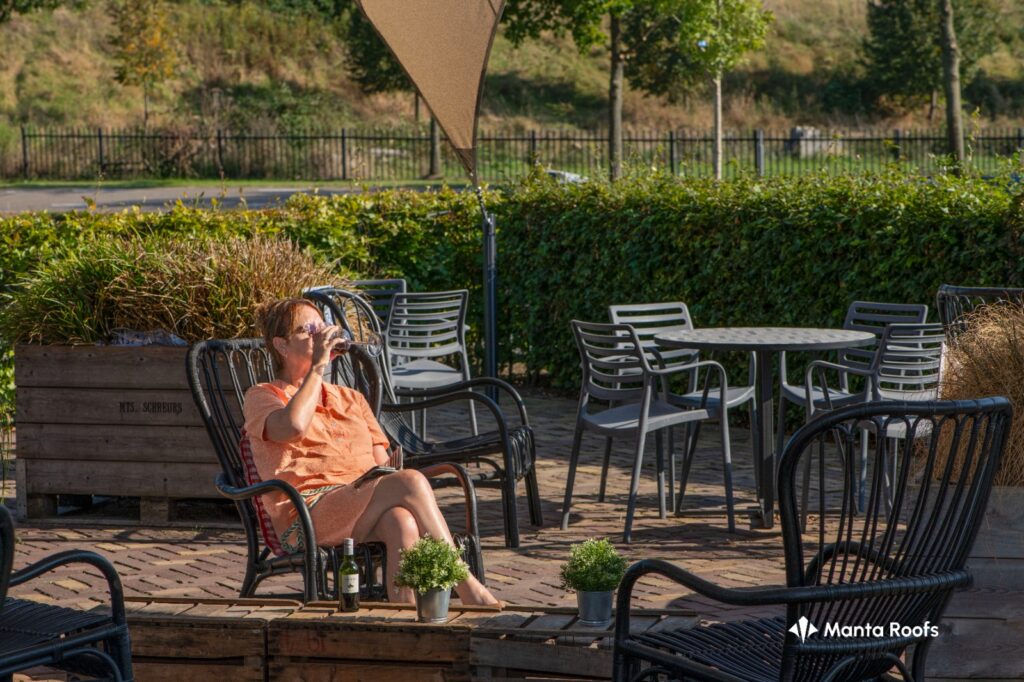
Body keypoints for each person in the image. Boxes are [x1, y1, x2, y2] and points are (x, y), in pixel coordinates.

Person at [243, 297, 498, 606]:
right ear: (281, 345)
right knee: (411, 481)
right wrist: (319, 366)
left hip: (359, 503)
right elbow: (293, 426)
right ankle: (468, 586)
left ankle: (401, 616)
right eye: (308, 330)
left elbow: (383, 467)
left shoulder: (352, 398)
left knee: (401, 520)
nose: (320, 335)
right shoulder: (263, 396)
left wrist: (388, 472)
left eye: (322, 327)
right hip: (307, 516)